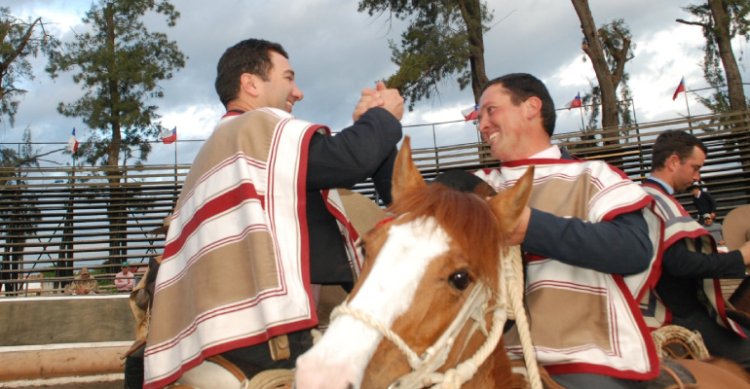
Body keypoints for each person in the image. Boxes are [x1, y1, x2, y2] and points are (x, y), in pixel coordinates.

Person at [143, 38, 403, 388]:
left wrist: (369, 127)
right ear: (250, 84)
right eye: (288, 77)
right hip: (263, 341)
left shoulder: (227, 145)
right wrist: (381, 118)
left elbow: (339, 163)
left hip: (228, 337)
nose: (298, 92)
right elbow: (348, 160)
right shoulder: (255, 128)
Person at [473, 73, 661, 387]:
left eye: (491, 111)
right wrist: (382, 126)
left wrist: (533, 228)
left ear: (531, 107)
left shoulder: (595, 175)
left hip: (583, 355)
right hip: (489, 358)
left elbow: (634, 249)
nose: (483, 125)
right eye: (478, 118)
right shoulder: (475, 186)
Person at [640, 129, 750, 371]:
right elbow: (679, 264)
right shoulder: (655, 201)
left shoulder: (651, 197)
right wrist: (740, 257)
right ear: (673, 162)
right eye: (695, 168)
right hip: (677, 311)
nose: (697, 177)